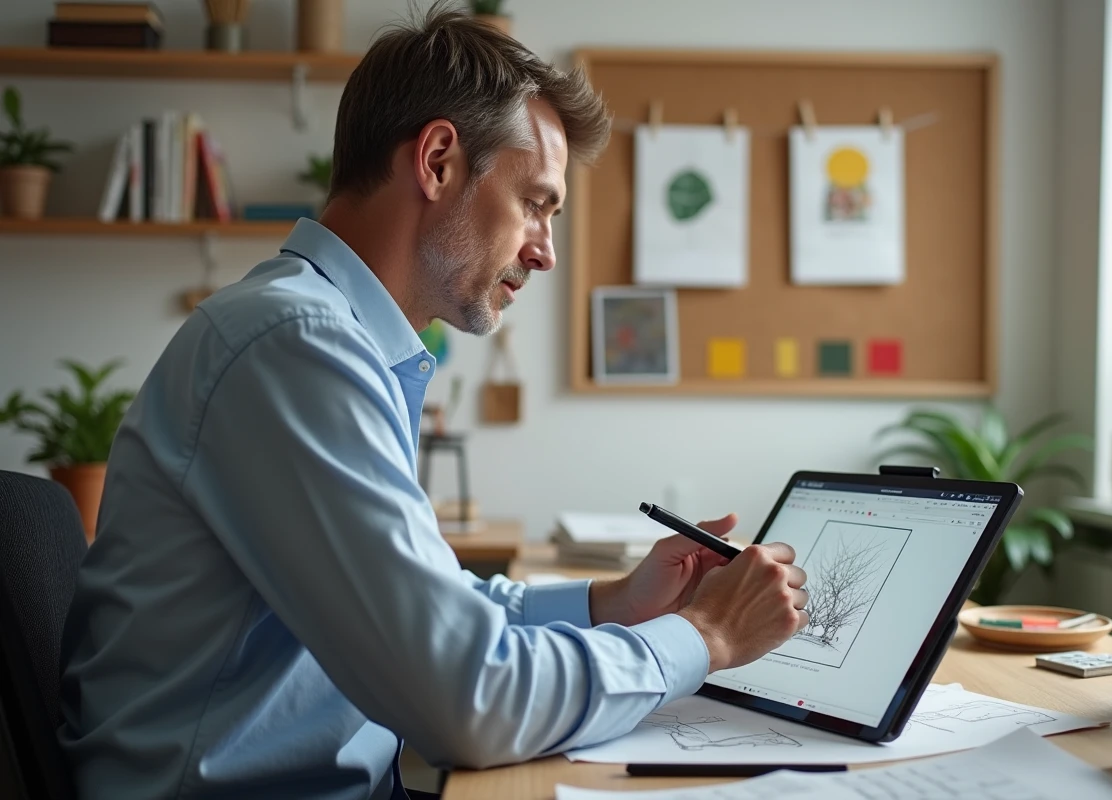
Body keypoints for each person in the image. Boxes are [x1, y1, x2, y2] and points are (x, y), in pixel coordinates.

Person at [56, 5, 809, 799]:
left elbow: (435, 612)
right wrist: (707, 634)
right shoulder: (295, 345)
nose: (546, 253)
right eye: (536, 203)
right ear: (439, 161)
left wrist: (613, 603)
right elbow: (468, 698)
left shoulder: (328, 338)